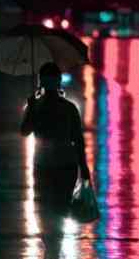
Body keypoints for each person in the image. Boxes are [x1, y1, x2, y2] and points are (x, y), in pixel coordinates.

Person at [20, 62, 91, 239]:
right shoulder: (68, 108)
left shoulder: (39, 107)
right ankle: (54, 245)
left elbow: (24, 131)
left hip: (46, 165)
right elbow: (78, 140)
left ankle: (51, 247)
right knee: (59, 207)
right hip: (64, 164)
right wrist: (84, 167)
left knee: (45, 207)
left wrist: (31, 109)